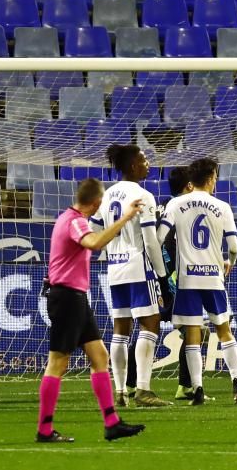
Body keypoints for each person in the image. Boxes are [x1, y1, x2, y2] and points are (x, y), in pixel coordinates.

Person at [36, 179, 146, 442]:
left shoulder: (67, 218)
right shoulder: (75, 221)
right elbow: (95, 243)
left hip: (75, 298)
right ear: (96, 203)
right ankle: (44, 429)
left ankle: (112, 423)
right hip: (67, 299)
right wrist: (126, 218)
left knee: (99, 356)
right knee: (58, 364)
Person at [158, 158, 237, 406]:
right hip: (213, 278)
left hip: (187, 280)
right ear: (211, 177)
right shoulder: (222, 206)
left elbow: (160, 238)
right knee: (224, 330)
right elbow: (234, 247)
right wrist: (229, 262)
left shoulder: (175, 203)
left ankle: (197, 389)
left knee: (193, 336)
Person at [93, 145, 170, 407]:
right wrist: (162, 276)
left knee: (120, 331)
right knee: (150, 324)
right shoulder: (142, 195)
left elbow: (92, 232)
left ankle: (120, 392)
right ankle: (143, 390)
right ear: (133, 166)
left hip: (114, 268)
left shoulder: (105, 196)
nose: (148, 164)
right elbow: (150, 242)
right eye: (144, 159)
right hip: (139, 267)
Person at [163, 166, 199, 401]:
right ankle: (186, 386)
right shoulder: (180, 209)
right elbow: (168, 244)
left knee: (151, 326)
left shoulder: (166, 206)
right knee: (193, 331)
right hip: (173, 277)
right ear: (189, 186)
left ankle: (132, 383)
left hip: (162, 275)